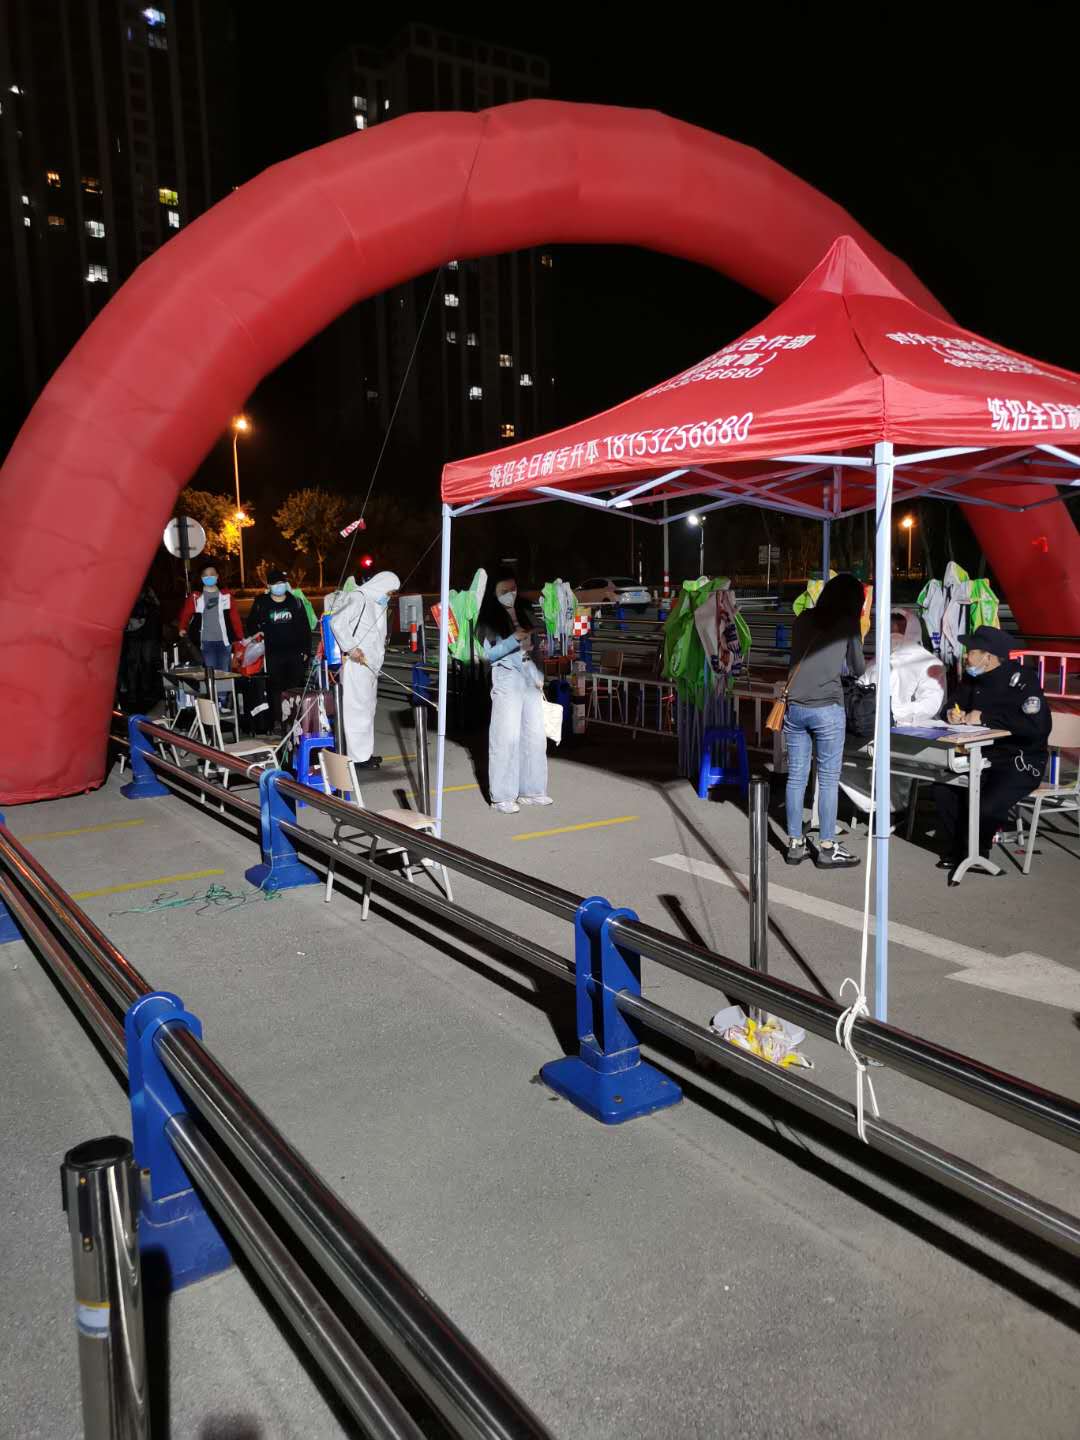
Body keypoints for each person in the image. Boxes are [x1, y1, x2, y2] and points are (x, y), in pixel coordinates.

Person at [932, 625, 1051, 872]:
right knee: (943, 788)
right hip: (980, 756)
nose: (966, 656)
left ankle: (976, 850)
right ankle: (958, 849)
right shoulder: (972, 678)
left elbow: (1037, 726)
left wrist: (985, 718)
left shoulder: (1022, 680)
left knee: (986, 804)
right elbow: (951, 706)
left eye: (971, 652)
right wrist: (951, 714)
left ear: (988, 657)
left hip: (1019, 761)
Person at [783, 572, 865, 868]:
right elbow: (857, 667)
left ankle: (795, 844)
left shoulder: (803, 619)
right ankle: (828, 846)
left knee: (796, 777)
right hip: (827, 707)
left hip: (794, 707)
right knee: (828, 779)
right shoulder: (848, 624)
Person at [839, 609, 947, 821]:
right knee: (839, 761)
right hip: (868, 728)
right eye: (890, 626)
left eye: (899, 627)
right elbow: (861, 686)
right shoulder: (878, 659)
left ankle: (892, 809)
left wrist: (895, 713)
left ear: (911, 629)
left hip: (905, 733)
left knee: (893, 771)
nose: (893, 631)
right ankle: (874, 806)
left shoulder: (928, 663)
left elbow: (931, 703)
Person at [476, 568, 550, 815]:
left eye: (513, 589)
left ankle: (533, 789)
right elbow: (488, 654)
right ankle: (503, 796)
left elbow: (538, 640)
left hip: (531, 676)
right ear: (493, 592)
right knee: (506, 736)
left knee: (535, 735)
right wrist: (512, 640)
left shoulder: (525, 610)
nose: (510, 594)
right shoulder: (488, 618)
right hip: (507, 676)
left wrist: (539, 673)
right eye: (504, 590)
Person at [326, 569, 400, 769]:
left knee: (368, 709)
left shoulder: (378, 604)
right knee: (356, 711)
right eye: (389, 592)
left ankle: (364, 753)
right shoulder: (358, 598)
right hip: (356, 664)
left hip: (370, 667)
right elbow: (337, 622)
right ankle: (357, 757)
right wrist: (351, 648)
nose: (389, 596)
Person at [246, 568, 313, 735]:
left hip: (295, 654)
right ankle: (277, 721)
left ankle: (295, 721)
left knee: (294, 688)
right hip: (273, 654)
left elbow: (305, 628)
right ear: (269, 586)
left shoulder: (295, 602)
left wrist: (306, 650)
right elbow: (251, 623)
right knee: (275, 689)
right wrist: (256, 632)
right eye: (275, 583)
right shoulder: (262, 603)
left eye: (282, 583)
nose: (279, 586)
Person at [178, 563, 243, 673]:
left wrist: (239, 640)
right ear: (201, 578)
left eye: (212, 574)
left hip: (225, 642)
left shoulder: (226, 596)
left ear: (217, 576)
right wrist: (182, 628)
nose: (209, 577)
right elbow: (185, 614)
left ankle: (222, 686)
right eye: (205, 575)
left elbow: (235, 619)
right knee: (210, 675)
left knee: (224, 674)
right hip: (206, 642)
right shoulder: (195, 597)